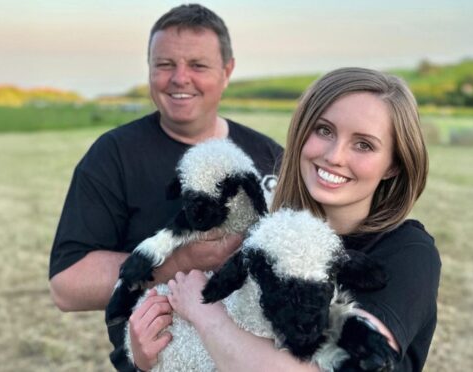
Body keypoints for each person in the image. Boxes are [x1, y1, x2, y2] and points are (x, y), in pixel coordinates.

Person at [47, 4, 282, 372]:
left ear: (227, 71)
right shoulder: (114, 156)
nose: (179, 78)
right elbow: (66, 285)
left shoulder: (268, 155)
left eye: (198, 65)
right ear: (149, 69)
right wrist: (180, 261)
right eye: (165, 64)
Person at [166, 67, 441, 371]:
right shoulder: (270, 237)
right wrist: (144, 356)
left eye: (364, 144)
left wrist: (204, 314)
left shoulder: (408, 253)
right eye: (324, 130)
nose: (335, 156)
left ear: (393, 165)